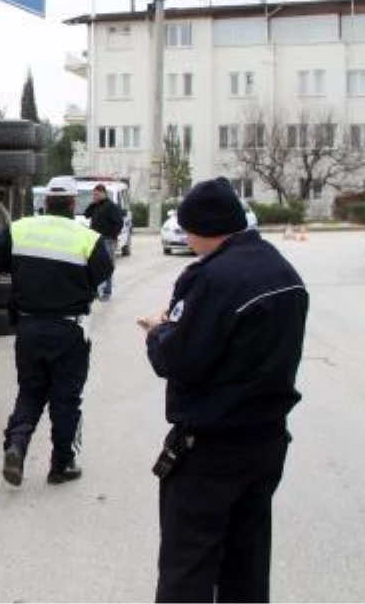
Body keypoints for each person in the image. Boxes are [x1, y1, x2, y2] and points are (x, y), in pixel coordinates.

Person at [137, 177, 308, 604]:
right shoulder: (281, 269)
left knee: (188, 569)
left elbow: (175, 360)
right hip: (265, 442)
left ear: (201, 229)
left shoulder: (211, 279)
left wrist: (159, 332)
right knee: (246, 566)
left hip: (212, 450)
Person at [0, 175, 113, 486]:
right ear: (71, 203)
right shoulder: (86, 237)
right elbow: (103, 271)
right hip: (69, 331)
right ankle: (62, 465)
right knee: (66, 399)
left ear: (45, 202)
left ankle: (16, 445)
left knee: (30, 392)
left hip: (28, 327)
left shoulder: (22, 229)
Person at [83, 183, 124, 300]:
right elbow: (86, 215)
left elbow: (119, 223)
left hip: (107, 240)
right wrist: (92, 203)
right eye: (93, 194)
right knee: (93, 265)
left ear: (103, 194)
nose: (94, 196)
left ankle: (107, 292)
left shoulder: (111, 206)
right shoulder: (95, 206)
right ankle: (96, 290)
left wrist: (113, 236)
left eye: (96, 194)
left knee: (107, 266)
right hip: (93, 240)